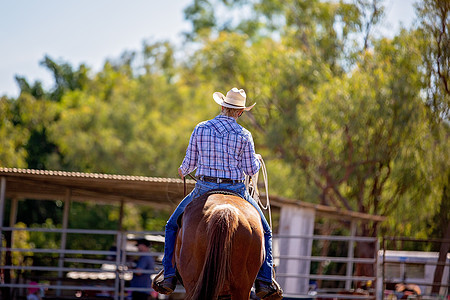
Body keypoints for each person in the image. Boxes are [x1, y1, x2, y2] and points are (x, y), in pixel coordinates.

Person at [153, 87, 282, 298]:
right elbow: (250, 170)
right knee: (265, 231)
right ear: (240, 112)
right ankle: (265, 280)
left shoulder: (201, 128)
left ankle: (168, 275)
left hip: (204, 188)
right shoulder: (245, 135)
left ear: (222, 106)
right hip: (237, 190)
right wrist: (256, 161)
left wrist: (183, 170)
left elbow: (188, 165)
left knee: (171, 225)